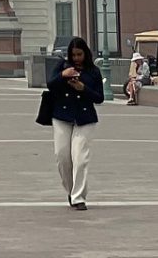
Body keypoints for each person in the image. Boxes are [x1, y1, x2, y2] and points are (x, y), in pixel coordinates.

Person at [37, 37, 104, 210]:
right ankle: (70, 190)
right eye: (73, 55)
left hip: (84, 118)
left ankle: (78, 197)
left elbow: (99, 98)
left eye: (79, 54)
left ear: (86, 53)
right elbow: (51, 84)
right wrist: (62, 76)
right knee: (62, 157)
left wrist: (83, 88)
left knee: (80, 158)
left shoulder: (93, 71)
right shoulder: (62, 67)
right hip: (62, 115)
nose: (76, 58)